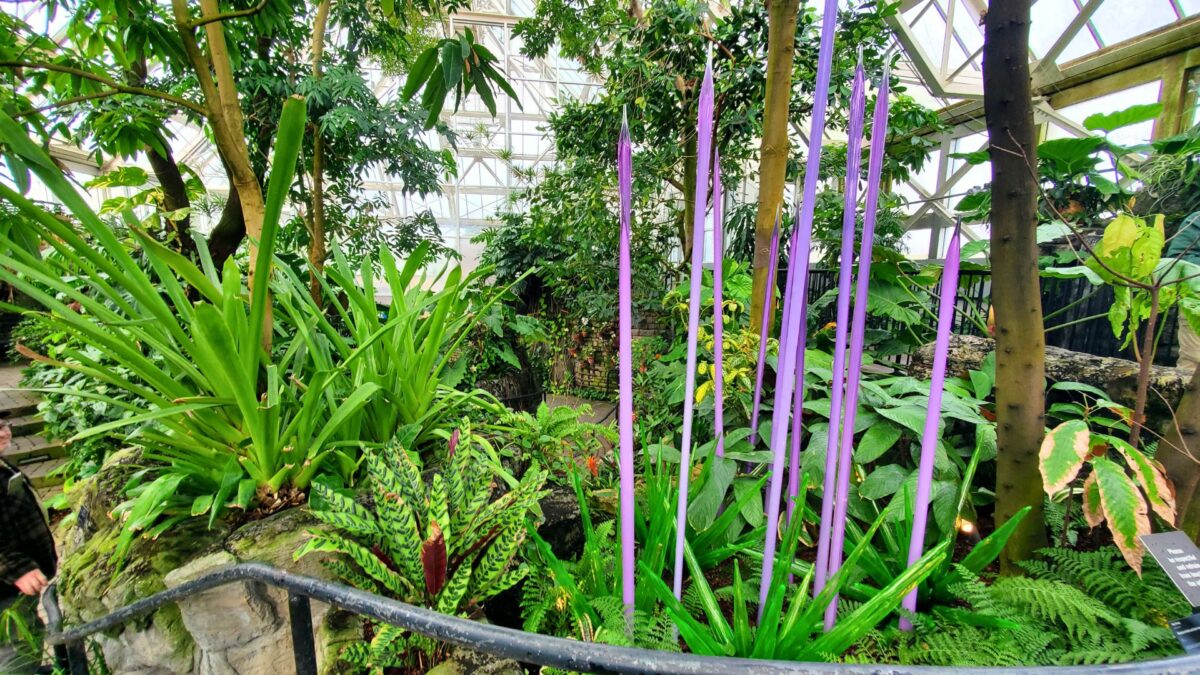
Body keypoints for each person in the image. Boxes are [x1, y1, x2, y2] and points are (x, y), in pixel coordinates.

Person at [0, 422, 56, 675]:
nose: (3, 432)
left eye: (2, 424)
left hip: (12, 582)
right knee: (17, 647)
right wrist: (18, 568)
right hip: (6, 587)